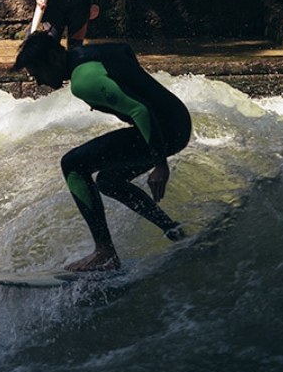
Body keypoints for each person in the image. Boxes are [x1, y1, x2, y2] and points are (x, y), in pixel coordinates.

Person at [12, 32, 192, 272]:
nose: (39, 83)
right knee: (109, 181)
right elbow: (125, 50)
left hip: (165, 131)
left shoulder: (84, 82)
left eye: (38, 73)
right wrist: (132, 80)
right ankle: (174, 231)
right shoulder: (88, 53)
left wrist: (160, 165)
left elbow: (140, 110)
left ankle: (104, 253)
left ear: (55, 57)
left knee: (73, 164)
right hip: (176, 120)